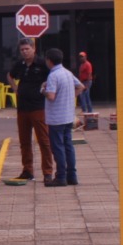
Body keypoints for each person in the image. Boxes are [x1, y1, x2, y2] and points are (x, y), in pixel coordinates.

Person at [6, 38, 54, 183]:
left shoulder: (42, 64)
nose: (25, 52)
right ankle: (27, 170)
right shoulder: (19, 65)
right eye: (22, 50)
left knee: (44, 141)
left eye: (27, 49)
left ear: (33, 48)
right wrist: (15, 89)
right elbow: (10, 75)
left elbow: (53, 76)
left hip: (38, 107)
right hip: (22, 108)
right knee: (24, 141)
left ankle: (47, 172)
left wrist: (47, 87)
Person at [42, 48, 86, 188]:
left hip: (56, 118)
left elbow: (51, 96)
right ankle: (72, 176)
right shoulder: (67, 73)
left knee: (58, 147)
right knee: (68, 146)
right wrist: (69, 96)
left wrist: (43, 89)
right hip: (68, 116)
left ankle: (61, 176)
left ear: (49, 60)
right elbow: (81, 86)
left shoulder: (53, 76)